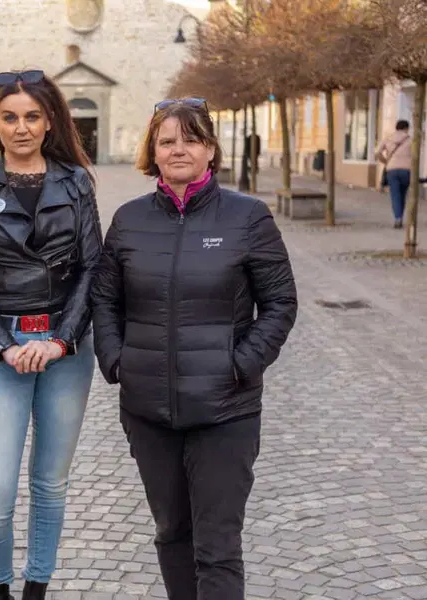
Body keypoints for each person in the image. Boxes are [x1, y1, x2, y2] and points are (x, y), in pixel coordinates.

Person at [91, 98, 298, 600]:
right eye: (167, 140)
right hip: (148, 410)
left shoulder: (248, 216)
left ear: (210, 149)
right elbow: (104, 297)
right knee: (172, 533)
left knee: (218, 545)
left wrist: (241, 365)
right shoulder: (130, 219)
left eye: (190, 138)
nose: (178, 148)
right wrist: (118, 361)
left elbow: (280, 303)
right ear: (153, 152)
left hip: (225, 411)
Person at [0, 69, 103, 600]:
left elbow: (91, 268)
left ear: (49, 120)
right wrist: (3, 345)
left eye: (32, 116)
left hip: (64, 348)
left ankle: (36, 587)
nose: (21, 127)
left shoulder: (76, 181)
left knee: (50, 484)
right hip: (2, 350)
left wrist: (60, 340)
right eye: (9, 117)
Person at [376, 120, 413, 228]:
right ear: (406, 128)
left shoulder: (388, 138)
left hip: (391, 170)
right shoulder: (410, 140)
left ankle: (398, 218)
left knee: (395, 195)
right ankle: (399, 215)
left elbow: (377, 153)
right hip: (406, 171)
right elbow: (415, 156)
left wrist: (385, 161)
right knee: (402, 194)